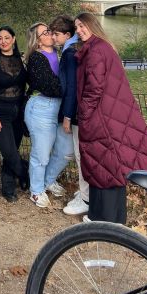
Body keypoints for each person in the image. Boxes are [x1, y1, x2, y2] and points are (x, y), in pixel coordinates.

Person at [74, 12, 147, 225]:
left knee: (103, 164)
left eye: (82, 25)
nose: (79, 30)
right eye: (77, 27)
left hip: (101, 117)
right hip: (110, 115)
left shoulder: (96, 51)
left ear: (92, 25)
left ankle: (103, 217)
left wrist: (84, 115)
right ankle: (111, 216)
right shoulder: (103, 47)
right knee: (108, 164)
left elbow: (94, 89)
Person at [24, 22, 67, 208]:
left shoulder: (60, 54)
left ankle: (48, 181)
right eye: (46, 32)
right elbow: (50, 87)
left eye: (50, 30)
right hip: (41, 108)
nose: (51, 34)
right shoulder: (36, 58)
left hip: (59, 108)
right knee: (41, 155)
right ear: (38, 40)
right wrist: (72, 89)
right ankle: (36, 190)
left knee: (66, 151)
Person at [0, 26, 28, 202]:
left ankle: (8, 187)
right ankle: (27, 175)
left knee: (13, 151)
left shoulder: (20, 59)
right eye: (0, 38)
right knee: (10, 152)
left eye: (7, 38)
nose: (3, 41)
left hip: (19, 112)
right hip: (0, 114)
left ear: (14, 39)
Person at [50, 15, 89, 216]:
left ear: (67, 35)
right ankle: (85, 194)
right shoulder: (77, 48)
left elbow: (72, 86)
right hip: (84, 111)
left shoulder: (69, 53)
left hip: (76, 113)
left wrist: (67, 115)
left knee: (80, 154)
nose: (53, 38)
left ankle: (85, 198)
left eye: (56, 34)